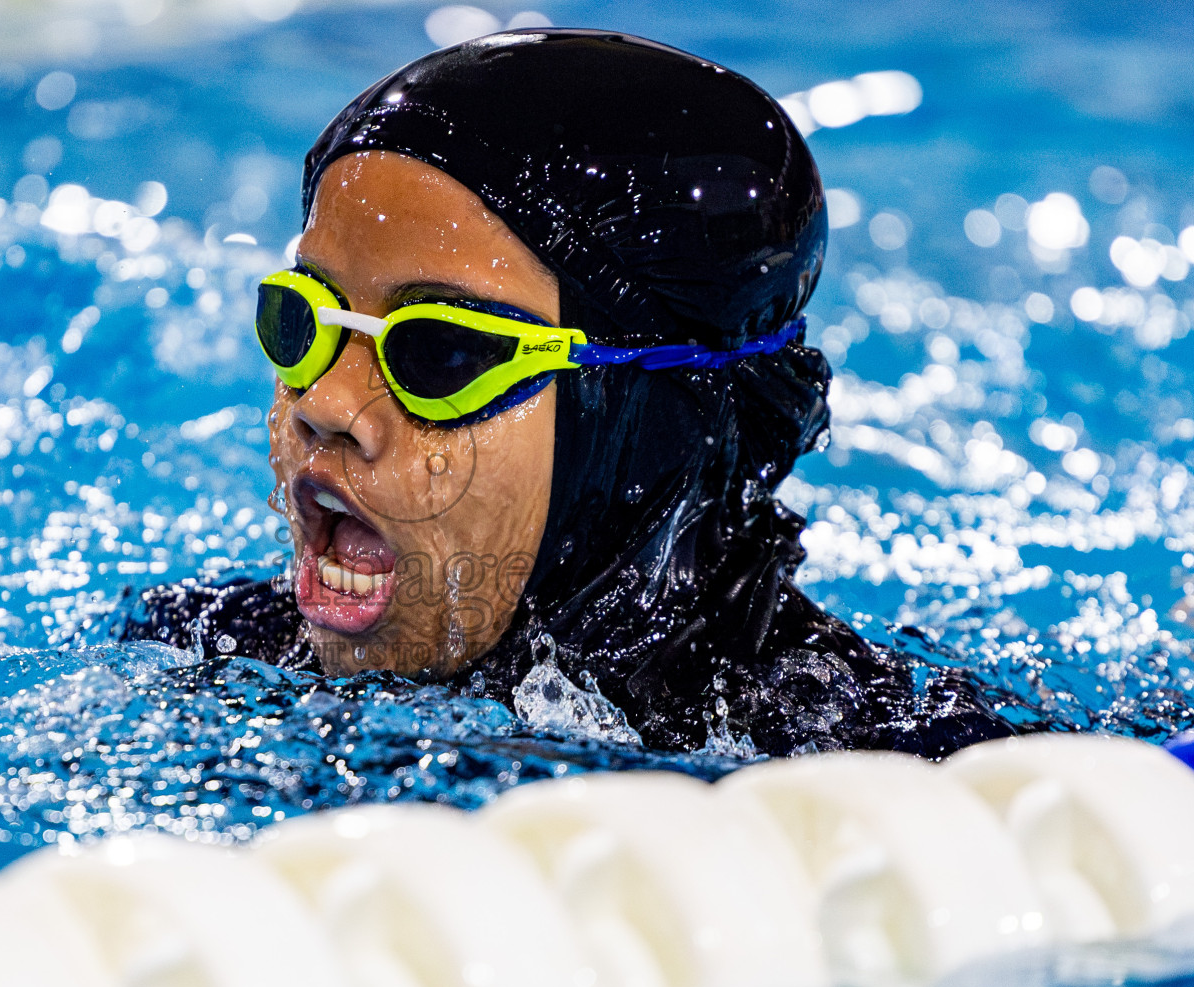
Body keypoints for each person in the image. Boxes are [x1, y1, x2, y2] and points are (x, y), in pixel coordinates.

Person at [123, 28, 1019, 757]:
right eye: (303, 322)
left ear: (652, 423)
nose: (325, 401)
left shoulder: (867, 758)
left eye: (439, 350)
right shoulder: (211, 656)